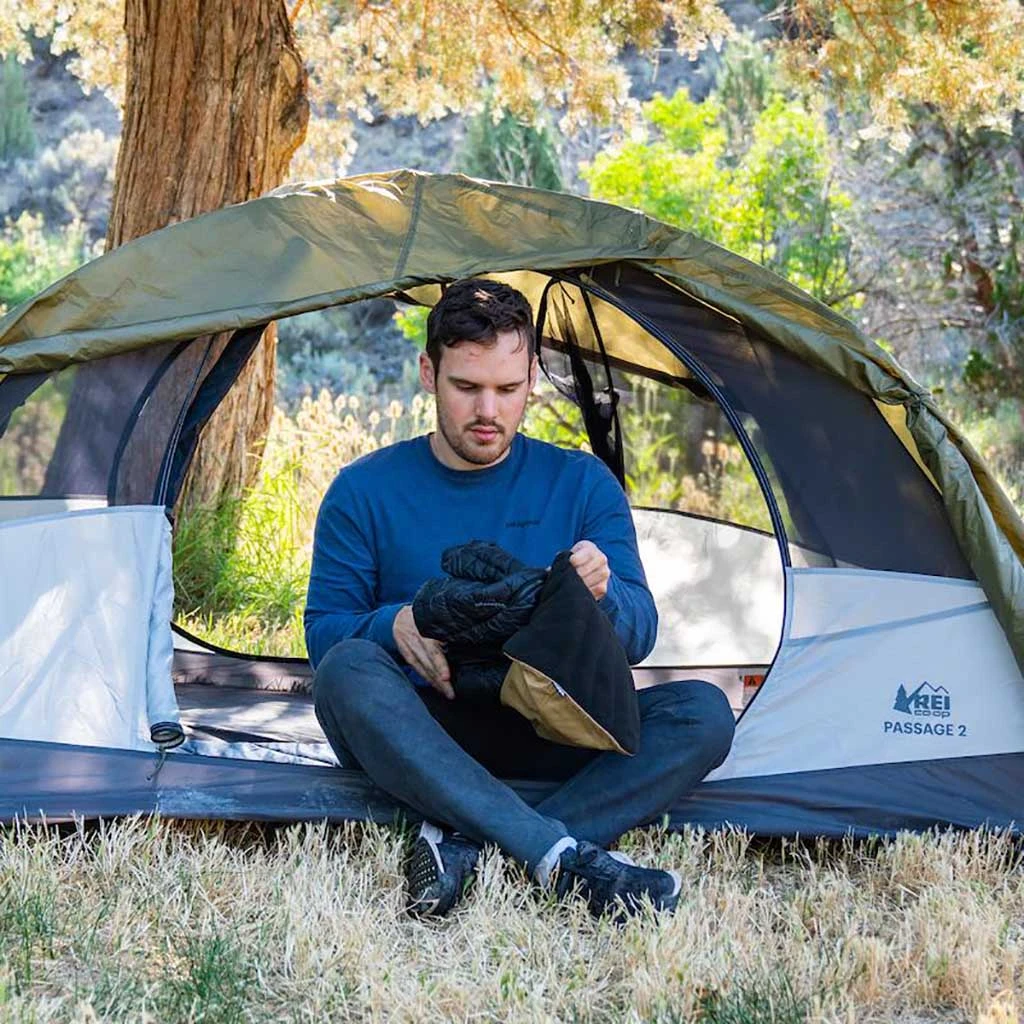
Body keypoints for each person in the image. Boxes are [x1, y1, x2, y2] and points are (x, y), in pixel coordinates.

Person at [305, 279, 735, 919]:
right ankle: (557, 853)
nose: (488, 411)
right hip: (427, 732)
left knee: (703, 712)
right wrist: (393, 625)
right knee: (346, 670)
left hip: (557, 726)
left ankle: (477, 843)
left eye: (508, 390)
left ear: (532, 377)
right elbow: (323, 636)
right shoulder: (361, 490)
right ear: (428, 373)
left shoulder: (582, 483)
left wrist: (603, 596)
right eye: (466, 387)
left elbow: (640, 634)